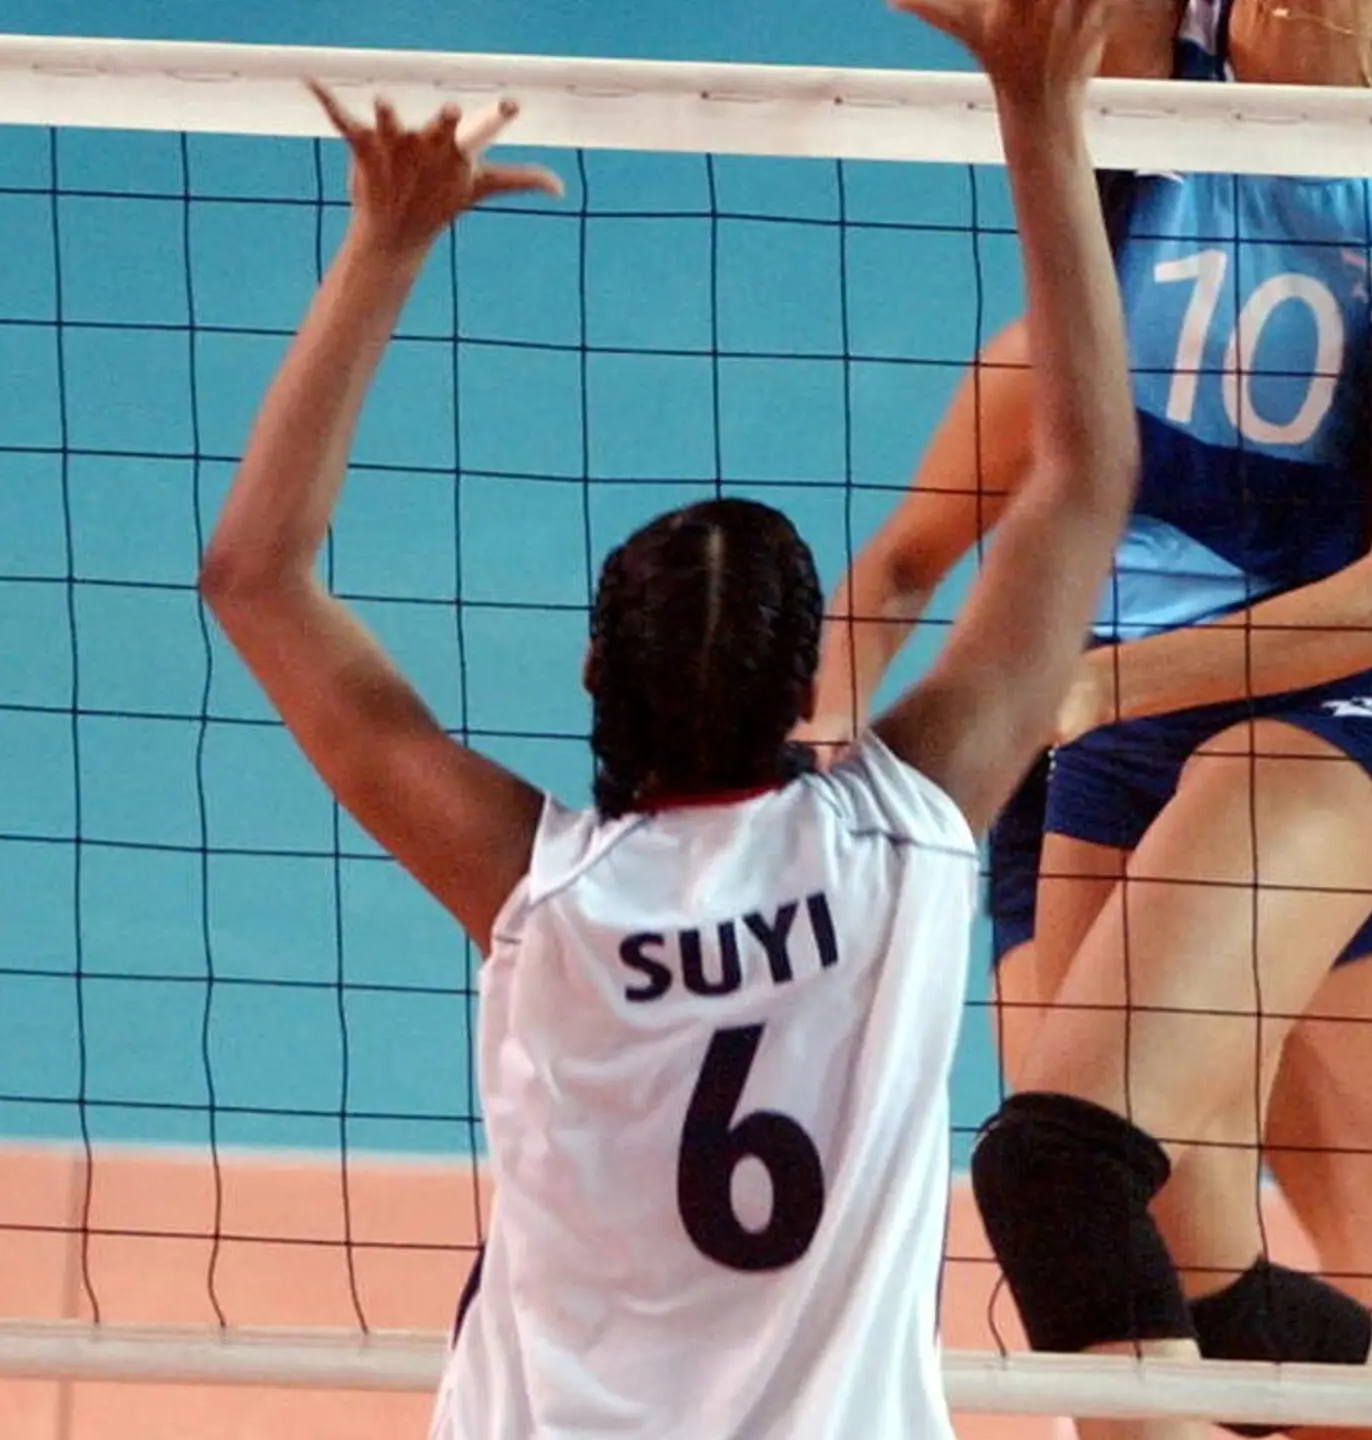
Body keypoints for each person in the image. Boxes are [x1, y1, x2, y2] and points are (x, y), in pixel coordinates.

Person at [196, 0, 1145, 1427]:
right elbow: (1082, 481)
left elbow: (253, 579)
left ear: (596, 673)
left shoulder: (541, 894)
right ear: (810, 692)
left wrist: (384, 241)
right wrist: (1038, 111)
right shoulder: (907, 839)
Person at [809, 0, 1372, 1434]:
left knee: (1075, 1177)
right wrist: (808, 784)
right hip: (1109, 736)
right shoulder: (1143, 75)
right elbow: (892, 568)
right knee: (1171, 1281)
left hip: (1317, 709)